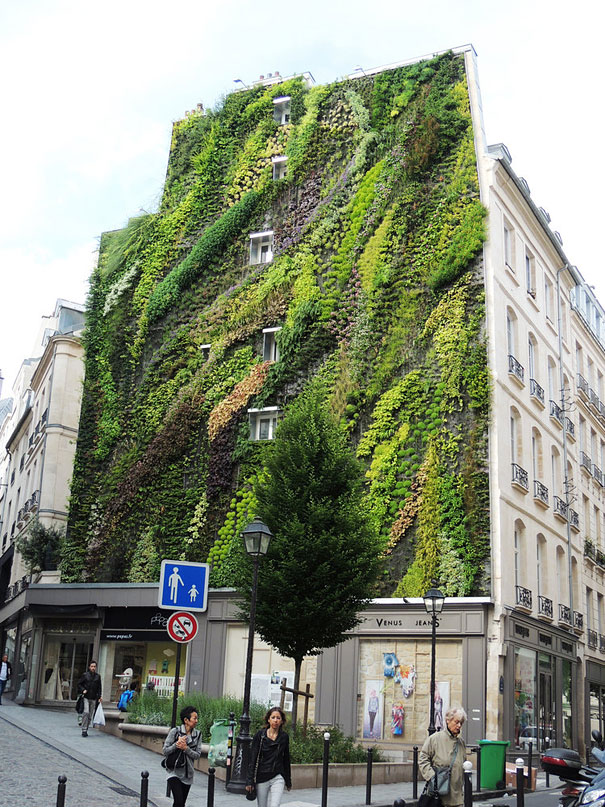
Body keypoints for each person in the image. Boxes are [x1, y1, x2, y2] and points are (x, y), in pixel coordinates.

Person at [419, 706, 467, 807]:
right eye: (456, 722)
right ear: (448, 720)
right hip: (439, 795)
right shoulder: (435, 739)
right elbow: (423, 758)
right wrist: (432, 777)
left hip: (457, 796)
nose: (459, 726)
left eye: (461, 723)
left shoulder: (461, 743)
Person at [246, 707, 292, 807]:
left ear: (282, 721)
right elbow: (252, 758)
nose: (276, 720)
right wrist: (249, 781)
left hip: (278, 776)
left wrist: (288, 781)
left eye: (278, 718)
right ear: (268, 719)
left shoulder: (284, 737)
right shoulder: (260, 735)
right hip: (262, 776)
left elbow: (286, 759)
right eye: (273, 717)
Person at [163, 705, 202, 807]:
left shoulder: (198, 735)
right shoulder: (175, 731)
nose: (196, 721)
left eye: (197, 718)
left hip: (188, 774)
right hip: (174, 771)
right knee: (179, 801)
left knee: (181, 803)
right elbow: (165, 750)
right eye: (194, 718)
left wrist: (186, 749)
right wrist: (176, 745)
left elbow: (197, 755)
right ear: (186, 720)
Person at [77, 660, 102, 737]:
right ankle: (84, 729)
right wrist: (83, 690)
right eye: (92, 666)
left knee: (90, 715)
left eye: (94, 666)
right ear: (89, 667)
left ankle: (86, 728)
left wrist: (100, 696)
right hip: (86, 697)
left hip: (94, 698)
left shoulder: (98, 676)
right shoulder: (85, 675)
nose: (93, 668)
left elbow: (99, 687)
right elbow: (79, 684)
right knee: (86, 712)